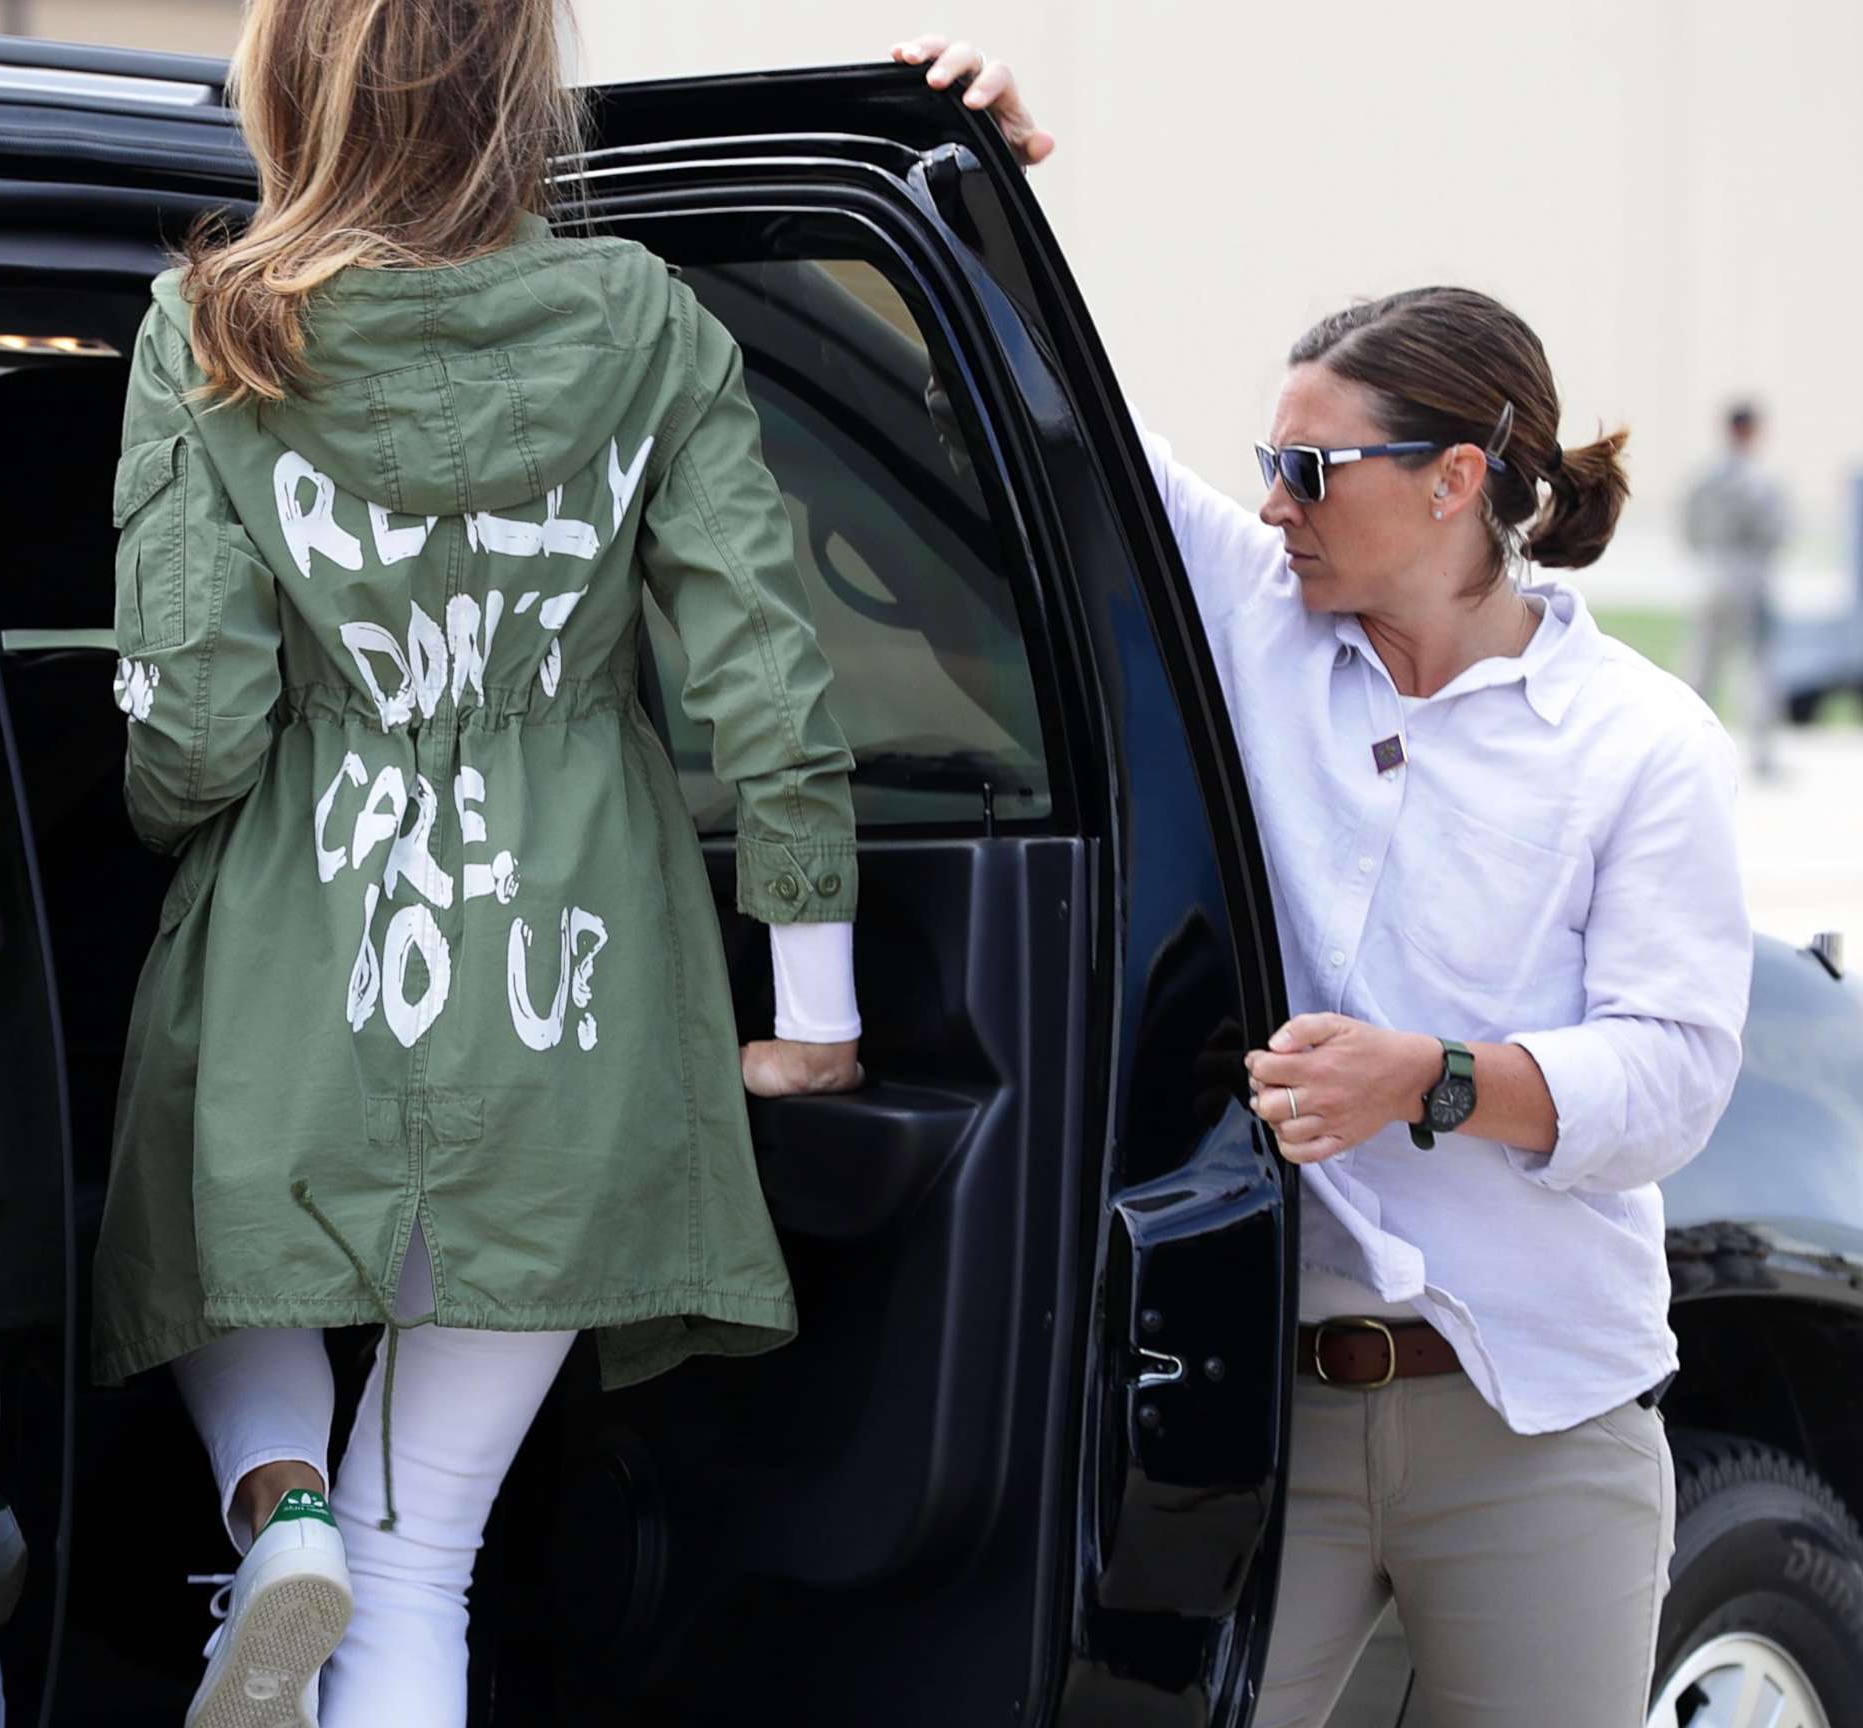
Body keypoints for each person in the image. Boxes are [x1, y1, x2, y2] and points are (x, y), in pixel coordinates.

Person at [895, 38, 1751, 1728]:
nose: (1270, 499)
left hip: (1536, 1419)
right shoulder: (1254, 612)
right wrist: (971, 169)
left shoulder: (1638, 742)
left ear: (1453, 483)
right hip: (1260, 1414)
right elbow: (1060, 443)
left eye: (1310, 469)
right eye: (1267, 463)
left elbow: (1672, 1077)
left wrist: (1420, 1076)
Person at [85, 4, 865, 1725]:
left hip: (304, 944)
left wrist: (157, 814)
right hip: (566, 976)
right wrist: (811, 999)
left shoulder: (212, 324)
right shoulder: (650, 323)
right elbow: (766, 681)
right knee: (424, 1548)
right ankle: (318, 1521)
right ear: (522, 95)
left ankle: (273, 1499)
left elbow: (198, 713)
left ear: (287, 82)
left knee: (216, 1230)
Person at [1684, 401, 1792, 776]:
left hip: (1713, 573)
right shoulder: (1760, 482)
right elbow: (1777, 532)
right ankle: (1762, 756)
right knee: (1758, 666)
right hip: (1749, 575)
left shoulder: (1705, 478)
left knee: (1702, 664)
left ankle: (1690, 751)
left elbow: (1689, 526)